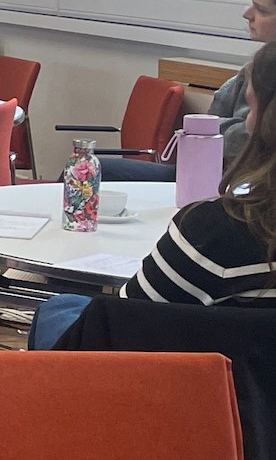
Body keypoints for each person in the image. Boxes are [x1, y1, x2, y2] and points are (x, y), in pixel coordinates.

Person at [33, 42, 276, 351]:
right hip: (256, 391)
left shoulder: (220, 230)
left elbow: (122, 322)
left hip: (198, 393)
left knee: (60, 310)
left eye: (251, 110)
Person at [101, 0, 275, 182]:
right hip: (204, 170)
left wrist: (211, 130)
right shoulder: (253, 66)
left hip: (236, 183)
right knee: (87, 170)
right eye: (251, 4)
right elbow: (211, 120)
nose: (247, 14)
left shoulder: (265, 74)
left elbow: (254, 139)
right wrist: (211, 129)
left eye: (261, 10)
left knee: (98, 171)